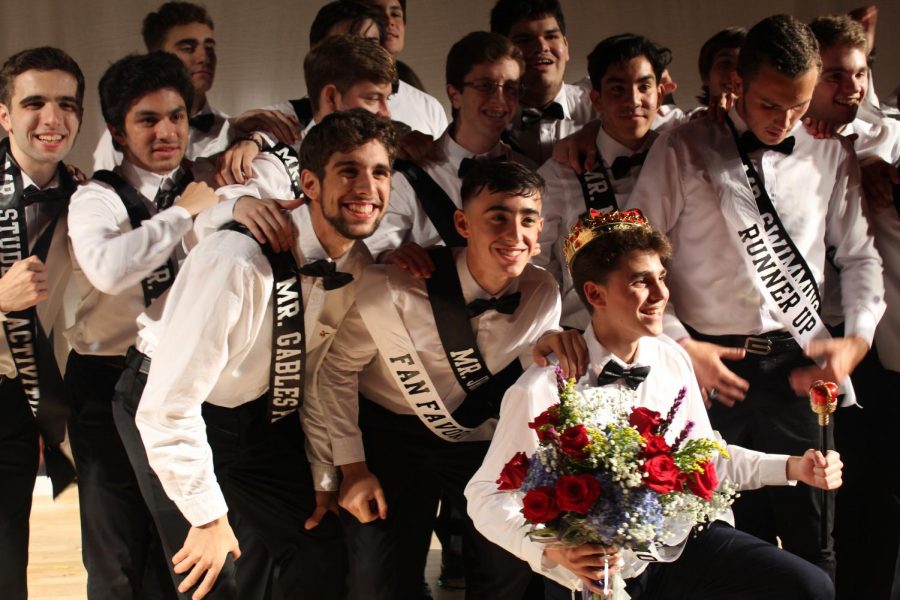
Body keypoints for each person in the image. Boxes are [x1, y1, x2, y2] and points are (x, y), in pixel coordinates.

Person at [625, 14, 885, 579]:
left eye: (797, 105)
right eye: (770, 105)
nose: (784, 120)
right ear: (737, 83)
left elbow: (860, 257)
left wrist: (857, 338)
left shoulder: (827, 150)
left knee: (814, 538)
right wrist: (679, 344)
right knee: (703, 532)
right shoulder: (685, 145)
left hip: (799, 363)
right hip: (706, 365)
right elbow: (636, 256)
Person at [466, 209, 841, 599]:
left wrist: (794, 467)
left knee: (808, 585)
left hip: (680, 543)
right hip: (598, 566)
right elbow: (484, 496)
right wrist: (551, 551)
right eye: (640, 282)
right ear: (595, 294)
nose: (661, 294)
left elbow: (702, 459)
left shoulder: (670, 358)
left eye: (661, 277)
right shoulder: (543, 386)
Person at [114, 109, 397, 600]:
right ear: (309, 182)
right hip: (168, 408)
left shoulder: (353, 262)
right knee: (209, 577)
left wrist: (325, 472)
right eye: (349, 170)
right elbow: (168, 407)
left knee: (318, 545)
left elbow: (312, 376)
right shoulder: (238, 260)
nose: (367, 187)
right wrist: (207, 518)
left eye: (380, 172)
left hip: (256, 416)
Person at [319, 159, 577, 599]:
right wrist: (352, 467)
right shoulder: (398, 285)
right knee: (375, 580)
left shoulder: (543, 291)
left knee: (513, 565)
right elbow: (336, 370)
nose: (515, 235)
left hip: (483, 440)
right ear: (463, 223)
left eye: (527, 220)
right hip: (391, 436)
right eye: (497, 217)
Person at [65, 51, 225, 600]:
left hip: (179, 380)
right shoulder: (95, 198)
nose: (167, 131)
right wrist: (181, 214)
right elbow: (110, 271)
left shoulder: (209, 186)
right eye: (148, 119)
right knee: (116, 552)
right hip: (105, 378)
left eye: (177, 116)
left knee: (179, 544)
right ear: (116, 129)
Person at [805, 14, 900, 598]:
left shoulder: (889, 139)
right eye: (836, 74)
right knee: (815, 506)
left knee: (876, 500)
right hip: (802, 342)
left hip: (879, 348)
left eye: (861, 73)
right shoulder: (765, 141)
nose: (854, 87)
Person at [0, 45, 83, 600]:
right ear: (4, 114)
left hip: (35, 395)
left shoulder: (90, 198)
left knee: (11, 559)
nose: (52, 119)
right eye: (35, 103)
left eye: (66, 104)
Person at [364, 31, 533, 271]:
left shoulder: (530, 171)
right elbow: (375, 254)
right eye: (486, 86)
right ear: (454, 95)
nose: (500, 99)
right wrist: (390, 256)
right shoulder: (408, 175)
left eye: (511, 88)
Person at [535, 33, 668, 329]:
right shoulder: (559, 175)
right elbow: (537, 270)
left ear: (659, 94)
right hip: (585, 335)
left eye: (643, 87)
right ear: (596, 98)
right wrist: (550, 335)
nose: (633, 100)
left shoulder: (682, 159)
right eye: (618, 89)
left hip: (672, 337)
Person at [93, 2, 298, 172]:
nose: (203, 58)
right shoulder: (123, 136)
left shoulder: (232, 130)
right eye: (188, 48)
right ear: (157, 55)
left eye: (209, 47)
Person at [489, 0, 595, 165]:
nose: (541, 46)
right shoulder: (484, 123)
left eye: (551, 36)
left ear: (566, 47)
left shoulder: (602, 108)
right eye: (524, 40)